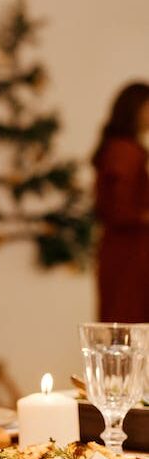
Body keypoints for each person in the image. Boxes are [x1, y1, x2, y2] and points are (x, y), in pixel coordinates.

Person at [92, 82, 149, 322]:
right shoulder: (125, 151)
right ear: (134, 110)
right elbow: (119, 208)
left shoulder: (121, 149)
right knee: (128, 322)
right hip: (130, 252)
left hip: (126, 249)